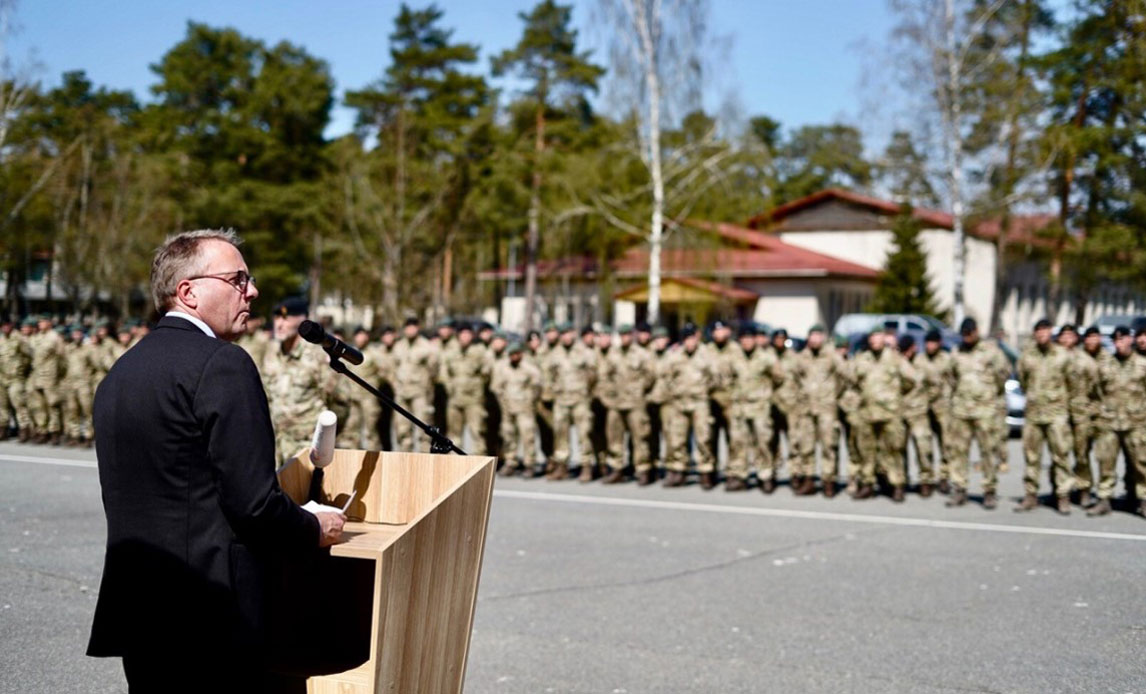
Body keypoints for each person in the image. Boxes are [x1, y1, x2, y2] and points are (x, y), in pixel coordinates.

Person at [87, 229, 344, 691]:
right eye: (238, 279)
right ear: (188, 292)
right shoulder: (222, 364)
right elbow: (253, 504)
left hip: (142, 608)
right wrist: (313, 526)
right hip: (210, 612)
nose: (253, 291)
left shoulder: (123, 370)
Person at [945, 318, 1010, 509]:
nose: (967, 337)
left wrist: (989, 394)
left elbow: (1003, 373)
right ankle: (959, 489)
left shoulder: (991, 350)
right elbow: (951, 377)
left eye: (970, 333)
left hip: (985, 410)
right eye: (964, 334)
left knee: (988, 452)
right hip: (961, 410)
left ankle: (989, 491)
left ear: (977, 331)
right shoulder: (957, 352)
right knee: (958, 452)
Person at [1015, 319, 1074, 514]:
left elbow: (1071, 383)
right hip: (1033, 414)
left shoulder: (1062, 355)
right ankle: (1030, 495)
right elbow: (1023, 381)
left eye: (1045, 330)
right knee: (1032, 457)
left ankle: (1062, 496)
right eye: (1038, 330)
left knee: (1061, 456)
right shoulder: (1027, 356)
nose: (1041, 334)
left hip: (1056, 414)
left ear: (1051, 332)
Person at [852, 330, 915, 502]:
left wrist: (895, 395)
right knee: (866, 450)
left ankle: (897, 485)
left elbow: (911, 379)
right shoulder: (862, 359)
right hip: (867, 412)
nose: (875, 341)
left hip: (890, 412)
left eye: (878, 337)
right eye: (872, 338)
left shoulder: (895, 358)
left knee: (894, 449)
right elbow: (853, 380)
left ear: (883, 339)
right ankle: (867, 483)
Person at [1091, 326, 1146, 518]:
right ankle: (1104, 499)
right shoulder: (1105, 364)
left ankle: (1143, 500)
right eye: (1115, 341)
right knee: (1106, 463)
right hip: (1109, 423)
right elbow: (1096, 392)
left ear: (1130, 340)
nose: (1119, 344)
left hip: (1136, 423)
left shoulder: (1142, 364)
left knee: (1141, 464)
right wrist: (1100, 414)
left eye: (1122, 340)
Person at [662, 324, 716, 489]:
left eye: (692, 338)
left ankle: (705, 472)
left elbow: (715, 377)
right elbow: (666, 376)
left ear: (697, 338)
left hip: (700, 401)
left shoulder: (706, 354)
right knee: (677, 438)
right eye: (686, 338)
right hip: (679, 402)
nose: (690, 342)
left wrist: (704, 391)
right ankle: (679, 471)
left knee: (703, 438)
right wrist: (676, 391)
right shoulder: (675, 355)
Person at [601, 325, 654, 484]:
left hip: (635, 403)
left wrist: (638, 389)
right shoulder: (613, 354)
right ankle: (617, 469)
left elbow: (650, 375)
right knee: (614, 438)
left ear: (632, 335)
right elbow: (604, 376)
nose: (625, 338)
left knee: (640, 438)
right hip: (616, 403)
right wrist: (608, 396)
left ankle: (642, 469)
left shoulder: (641, 354)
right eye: (622, 335)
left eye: (627, 335)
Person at [794, 325, 841, 495]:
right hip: (806, 409)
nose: (814, 339)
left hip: (826, 408)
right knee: (806, 446)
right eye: (812, 335)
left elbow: (844, 375)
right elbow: (795, 378)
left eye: (818, 336)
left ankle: (828, 481)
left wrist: (834, 394)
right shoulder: (802, 357)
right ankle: (809, 480)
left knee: (828, 445)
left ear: (823, 338)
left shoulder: (831, 356)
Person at [1066, 326, 1106, 507]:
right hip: (1078, 415)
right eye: (1088, 337)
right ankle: (1082, 488)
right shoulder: (1077, 358)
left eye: (1095, 337)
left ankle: (1104, 493)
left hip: (1102, 416)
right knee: (1080, 454)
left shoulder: (1108, 359)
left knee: (1104, 456)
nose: (1091, 341)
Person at [491, 342, 542, 476]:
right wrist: (503, 401)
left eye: (516, 354)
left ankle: (529, 464)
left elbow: (536, 386)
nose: (514, 356)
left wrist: (529, 400)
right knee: (508, 436)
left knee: (527, 436)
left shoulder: (529, 368)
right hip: (507, 407)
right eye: (511, 354)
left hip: (524, 408)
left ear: (521, 354)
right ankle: (510, 462)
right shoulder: (503, 367)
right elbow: (496, 387)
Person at [392, 316, 439, 452]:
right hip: (401, 392)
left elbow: (434, 370)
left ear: (418, 328)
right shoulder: (399, 346)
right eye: (408, 326)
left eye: (413, 326)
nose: (410, 329)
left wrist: (427, 386)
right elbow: (393, 368)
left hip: (420, 393)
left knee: (423, 429)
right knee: (402, 430)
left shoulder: (427, 347)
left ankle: (423, 459)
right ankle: (404, 459)